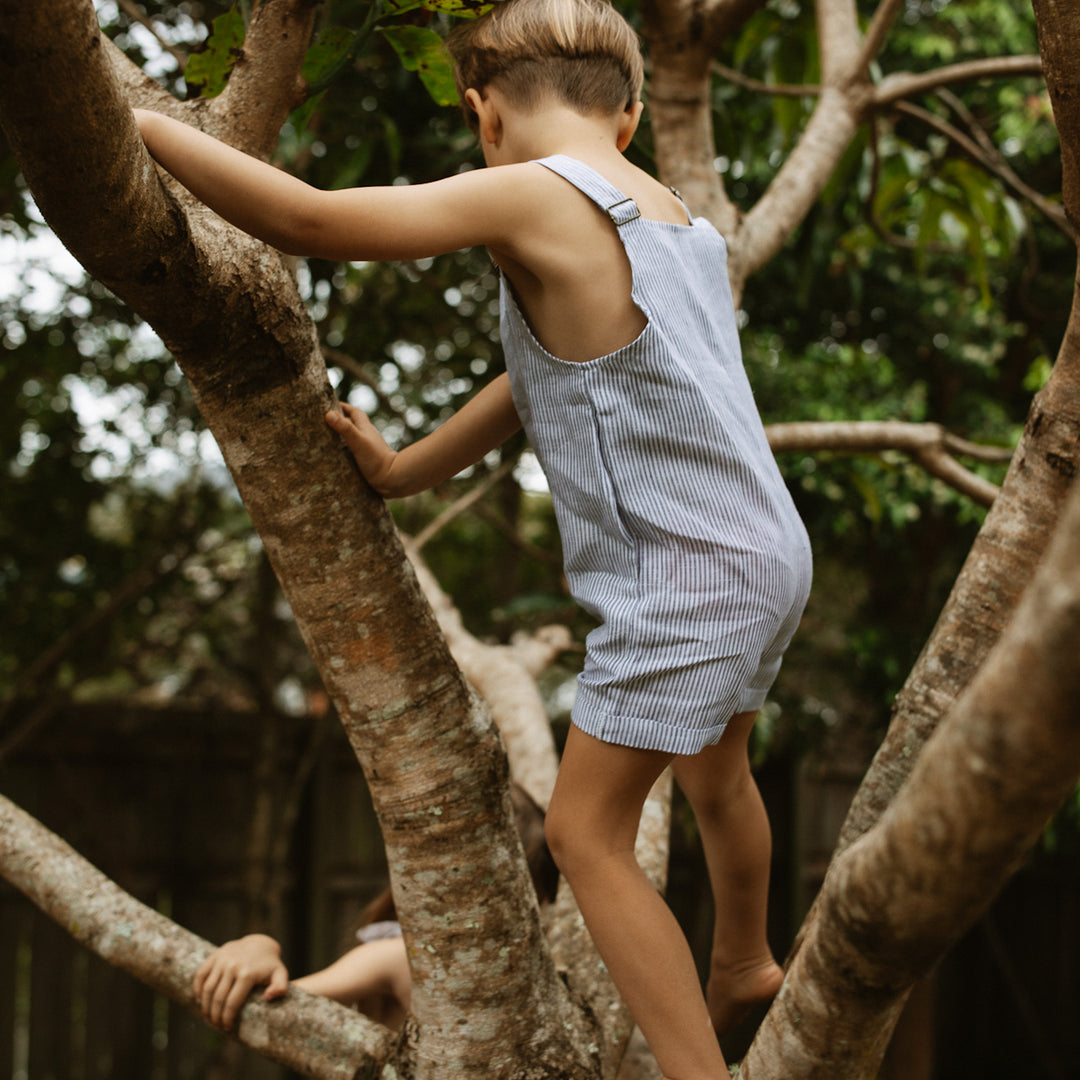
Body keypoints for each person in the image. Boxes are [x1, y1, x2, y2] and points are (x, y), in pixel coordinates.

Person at [136, 0, 811, 1074]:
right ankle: (743, 958)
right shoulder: (679, 220)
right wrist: (405, 470)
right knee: (717, 770)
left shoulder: (531, 192)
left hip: (681, 571)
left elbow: (311, 221)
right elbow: (539, 377)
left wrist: (143, 125)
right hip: (766, 552)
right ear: (629, 116)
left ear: (483, 113)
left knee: (589, 835)